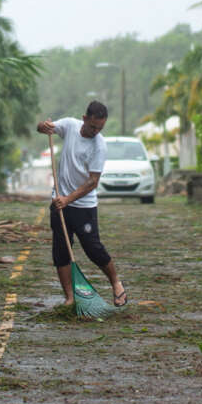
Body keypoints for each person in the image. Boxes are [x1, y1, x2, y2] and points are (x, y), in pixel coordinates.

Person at [36, 101, 127, 307]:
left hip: (84, 206)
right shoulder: (69, 125)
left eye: (100, 128)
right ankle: (70, 298)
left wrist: (68, 199)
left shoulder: (99, 145)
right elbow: (43, 128)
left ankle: (116, 283)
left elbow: (92, 182)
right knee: (60, 251)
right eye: (93, 126)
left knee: (93, 249)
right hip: (59, 201)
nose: (96, 132)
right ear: (84, 119)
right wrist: (44, 126)